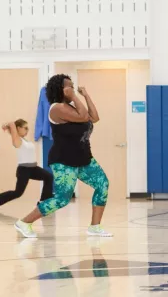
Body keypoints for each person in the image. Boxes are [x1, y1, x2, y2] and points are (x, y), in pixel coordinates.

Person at [14, 74, 111, 238]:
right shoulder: (56, 108)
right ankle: (24, 222)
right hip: (64, 161)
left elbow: (94, 118)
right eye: (69, 86)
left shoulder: (73, 106)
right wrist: (74, 96)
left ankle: (95, 227)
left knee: (102, 184)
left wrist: (85, 95)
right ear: (60, 89)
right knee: (62, 199)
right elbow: (83, 117)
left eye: (73, 86)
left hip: (84, 158)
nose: (72, 88)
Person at [0, 119, 53, 209]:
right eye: (25, 128)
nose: (27, 130)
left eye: (28, 128)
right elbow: (11, 123)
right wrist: (7, 125)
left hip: (33, 168)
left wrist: (9, 127)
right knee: (18, 193)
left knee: (49, 176)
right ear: (18, 128)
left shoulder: (24, 140)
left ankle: (44, 202)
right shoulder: (17, 140)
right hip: (24, 170)